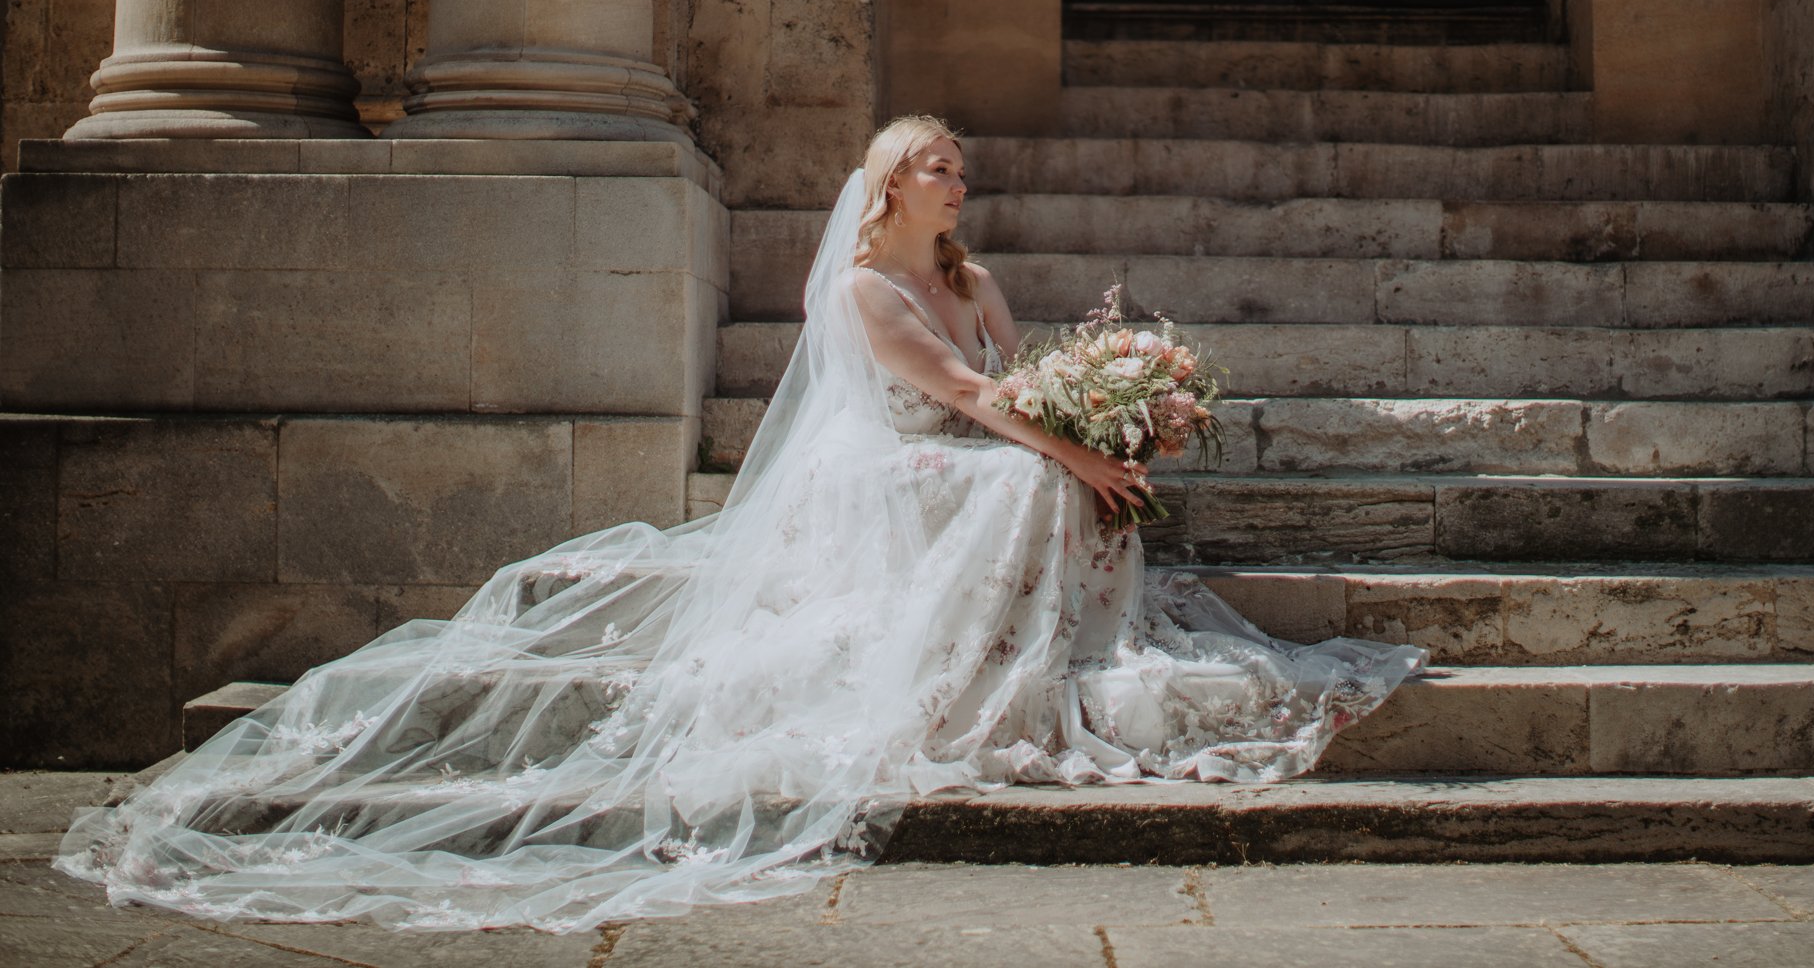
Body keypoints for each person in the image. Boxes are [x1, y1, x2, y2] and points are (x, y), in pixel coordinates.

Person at [57, 115, 1425, 932]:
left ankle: (1062, 629)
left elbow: (1018, 372)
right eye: (942, 167)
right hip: (894, 474)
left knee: (1048, 469)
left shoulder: (975, 272)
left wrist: (1117, 413)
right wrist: (1068, 442)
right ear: (890, 186)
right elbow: (963, 402)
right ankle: (1001, 660)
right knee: (1025, 474)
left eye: (961, 168)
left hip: (977, 447)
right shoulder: (867, 297)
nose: (962, 181)